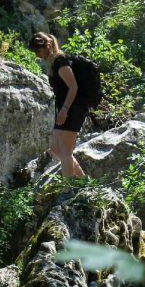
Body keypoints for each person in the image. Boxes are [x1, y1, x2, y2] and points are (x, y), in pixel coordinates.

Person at [28, 31, 91, 178]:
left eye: (38, 50)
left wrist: (65, 110)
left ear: (47, 46)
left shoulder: (60, 62)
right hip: (64, 109)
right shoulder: (54, 63)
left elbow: (73, 87)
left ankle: (68, 189)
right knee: (55, 150)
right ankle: (84, 181)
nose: (37, 54)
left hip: (73, 109)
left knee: (65, 152)